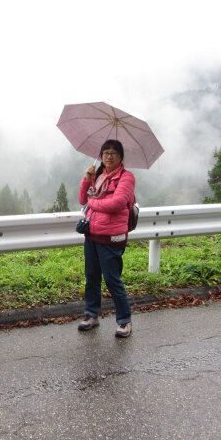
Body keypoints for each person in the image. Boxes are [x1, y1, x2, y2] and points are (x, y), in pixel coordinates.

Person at [77, 139, 135, 337]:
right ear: (101, 156)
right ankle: (91, 314)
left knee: (112, 279)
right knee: (91, 277)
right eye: (105, 153)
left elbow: (117, 203)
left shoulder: (126, 178)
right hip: (92, 234)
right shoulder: (99, 175)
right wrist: (87, 179)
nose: (109, 156)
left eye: (113, 153)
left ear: (120, 157)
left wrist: (93, 204)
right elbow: (82, 200)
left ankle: (124, 320)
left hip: (112, 237)